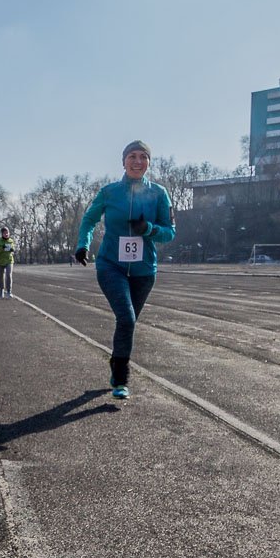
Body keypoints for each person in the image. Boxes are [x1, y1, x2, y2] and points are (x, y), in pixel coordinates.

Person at [74, 140, 176, 400]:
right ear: (123, 161)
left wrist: (149, 230)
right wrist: (82, 246)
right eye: (132, 156)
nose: (138, 161)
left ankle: (116, 366)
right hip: (111, 265)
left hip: (144, 271)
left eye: (143, 157)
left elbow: (170, 233)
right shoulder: (109, 192)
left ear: (149, 163)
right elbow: (89, 220)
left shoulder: (159, 194)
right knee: (127, 318)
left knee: (127, 323)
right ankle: (121, 377)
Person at [0, 226, 17, 298]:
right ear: (2, 234)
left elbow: (13, 248)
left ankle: (9, 291)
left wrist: (12, 249)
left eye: (7, 233)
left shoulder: (11, 241)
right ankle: (1, 290)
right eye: (4, 233)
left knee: (9, 275)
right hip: (1, 261)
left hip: (9, 260)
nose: (6, 234)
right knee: (1, 276)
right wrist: (2, 248)